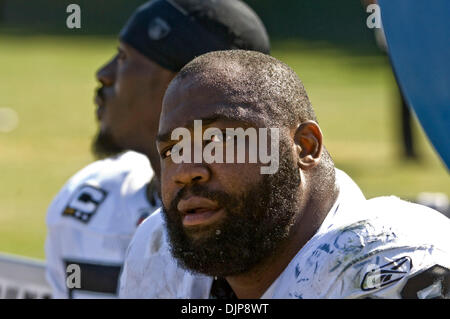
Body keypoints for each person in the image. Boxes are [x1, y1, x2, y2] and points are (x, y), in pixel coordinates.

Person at [119, 50, 450, 299]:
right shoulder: (156, 252)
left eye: (217, 142)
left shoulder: (392, 264)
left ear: (304, 147)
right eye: (171, 151)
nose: (186, 171)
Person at [45, 0, 270, 298]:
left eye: (123, 58)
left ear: (184, 88)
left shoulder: (269, 225)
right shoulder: (89, 201)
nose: (104, 74)